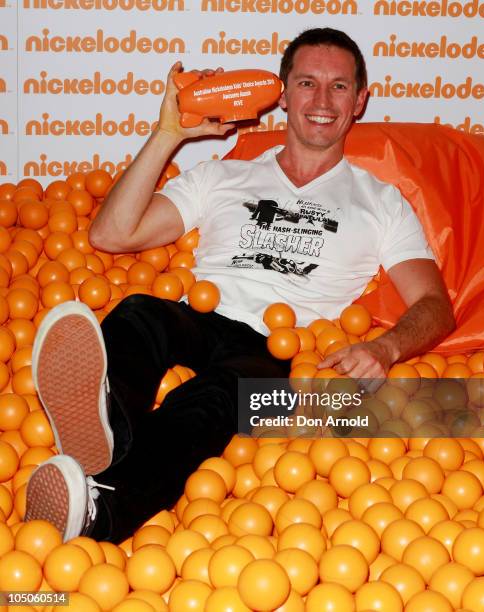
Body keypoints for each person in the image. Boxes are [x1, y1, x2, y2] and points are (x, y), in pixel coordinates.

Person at [25, 28, 455, 543]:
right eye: (306, 83)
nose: (321, 101)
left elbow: (435, 305)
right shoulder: (223, 176)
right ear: (282, 91)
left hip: (280, 350)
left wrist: (387, 347)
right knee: (140, 312)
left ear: (360, 100)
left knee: (214, 404)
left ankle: (100, 513)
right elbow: (110, 234)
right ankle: (102, 432)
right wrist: (169, 134)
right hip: (203, 315)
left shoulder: (380, 202)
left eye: (339, 87)